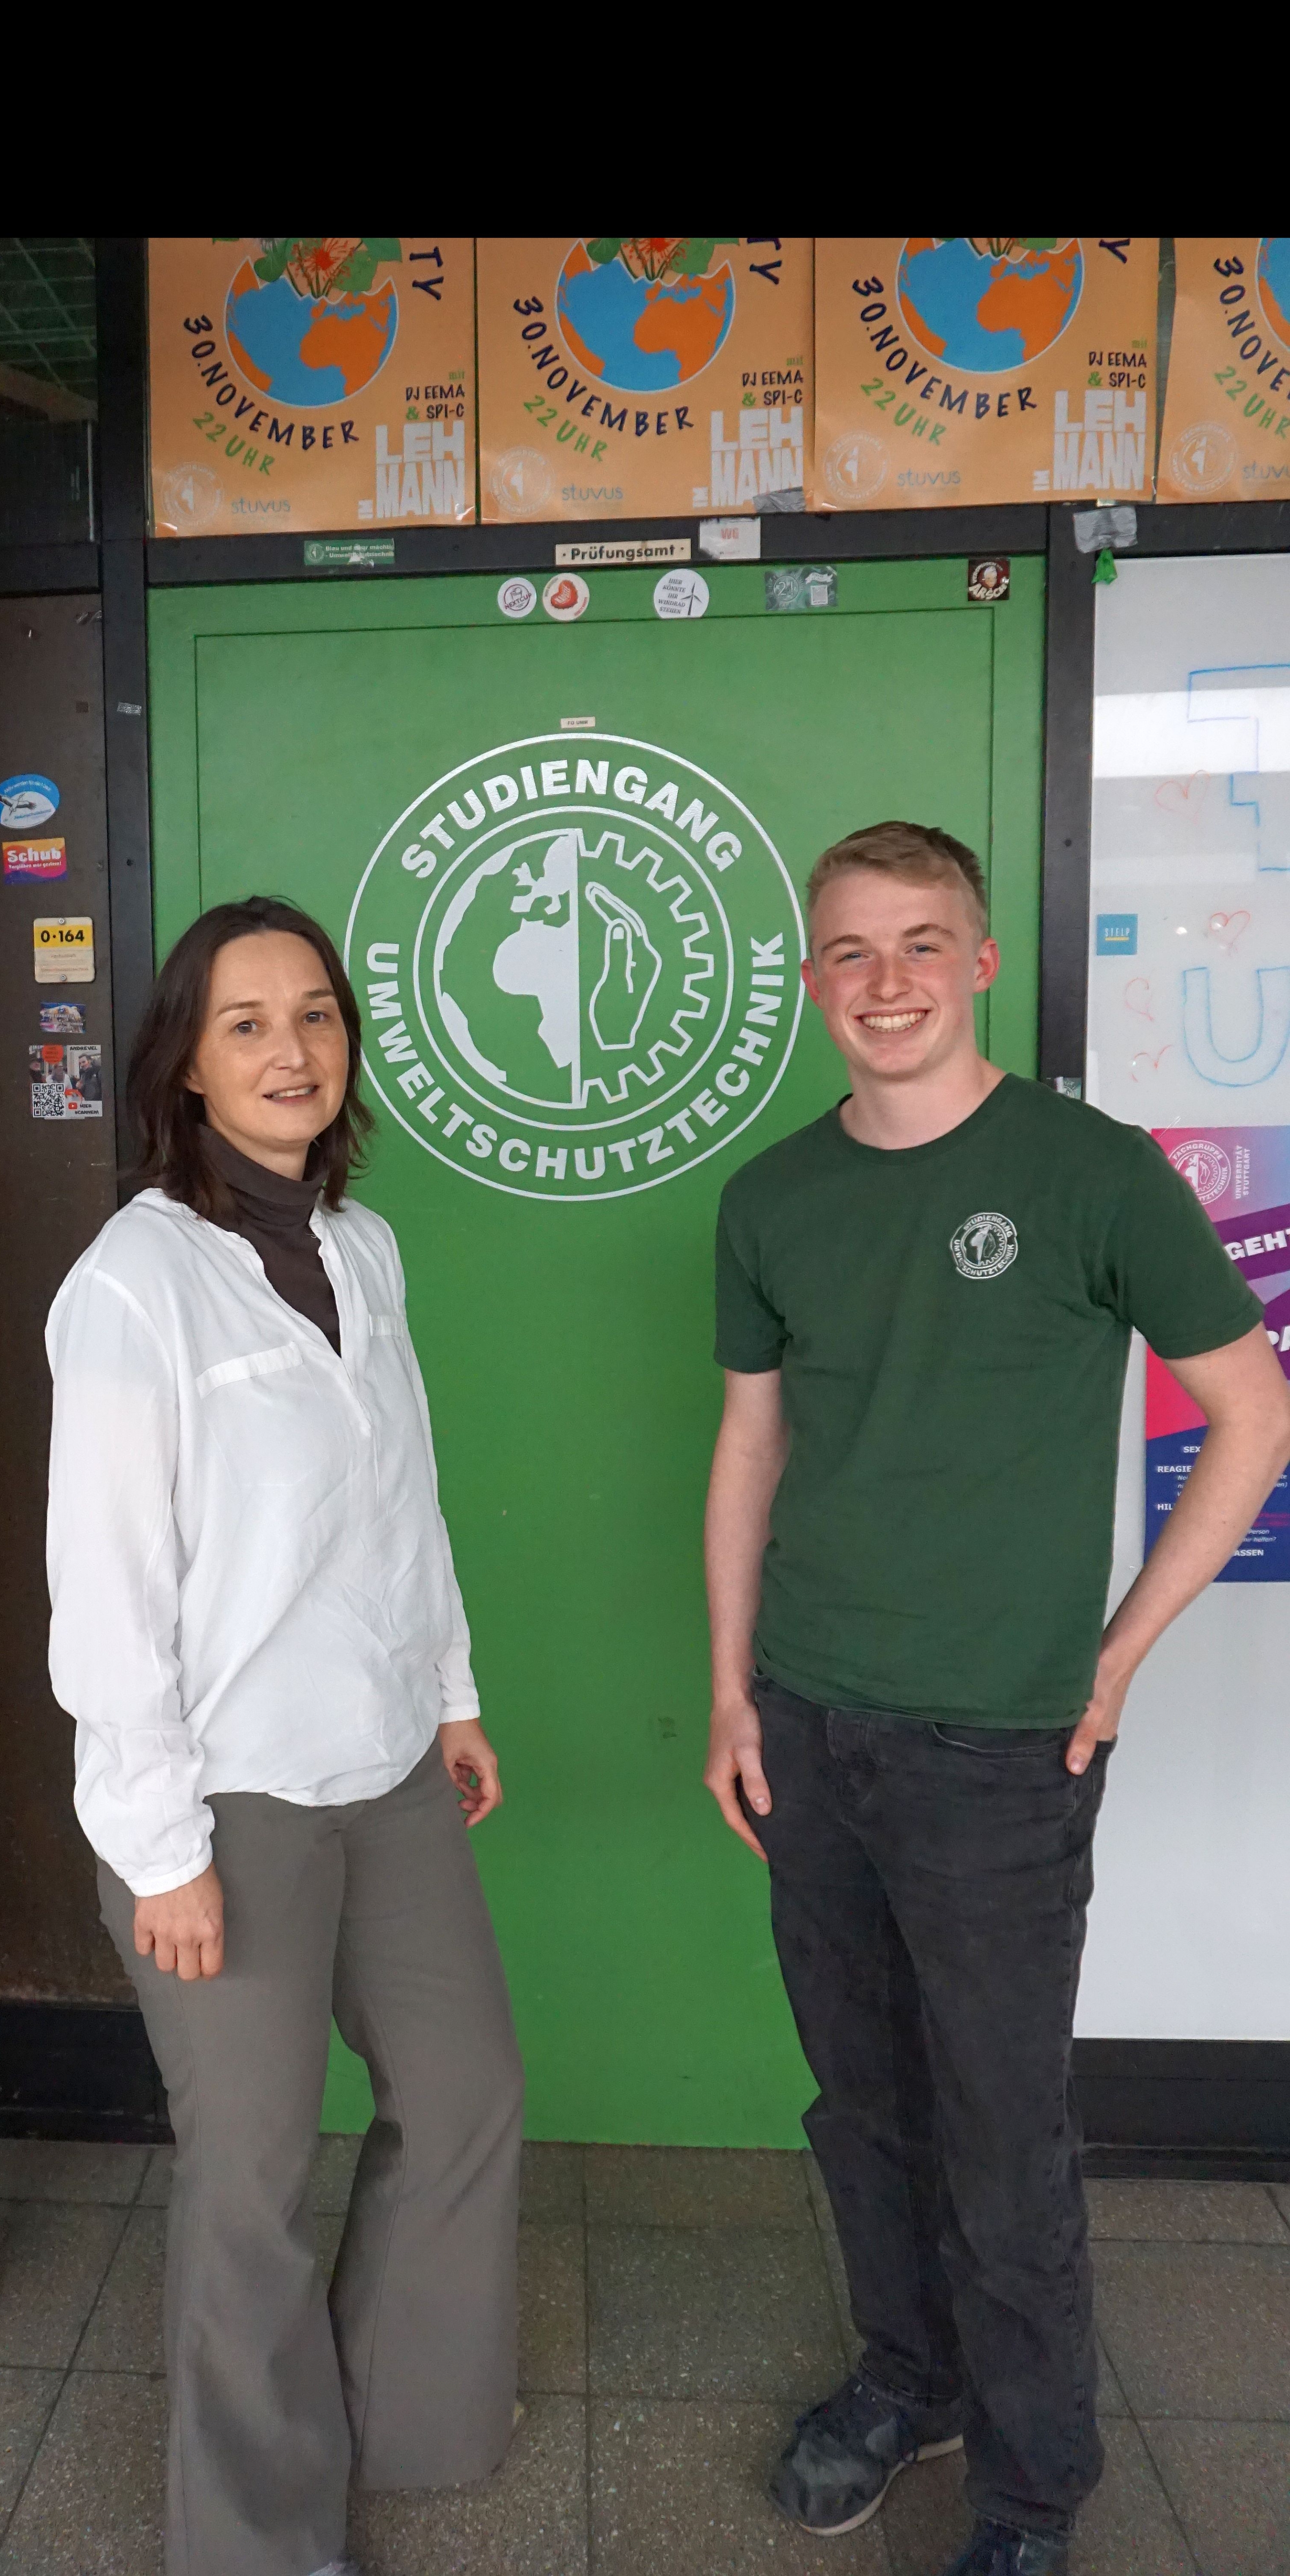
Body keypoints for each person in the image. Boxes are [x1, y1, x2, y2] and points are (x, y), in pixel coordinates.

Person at [702, 822, 1290, 2576]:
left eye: (918, 945)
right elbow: (751, 1442)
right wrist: (731, 1688)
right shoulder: (774, 1198)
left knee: (1002, 2136)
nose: (883, 982)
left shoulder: (1095, 1174)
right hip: (810, 1718)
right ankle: (910, 2380)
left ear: (978, 963)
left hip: (999, 1752)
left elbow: (1252, 1413)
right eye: (849, 954)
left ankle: (1033, 2496)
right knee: (857, 2097)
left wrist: (1114, 1654)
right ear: (814, 984)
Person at [45, 894, 523, 2576]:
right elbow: (103, 1600)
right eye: (245, 1023)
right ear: (182, 1062)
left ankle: (397, 2415)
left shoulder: (365, 1247)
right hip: (223, 1802)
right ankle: (257, 2536)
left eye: (314, 1015)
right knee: (250, 2180)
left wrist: (450, 1692)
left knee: (465, 2093)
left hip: (385, 1766)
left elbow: (407, 1505)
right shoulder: (134, 1286)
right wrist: (159, 1850)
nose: (289, 1051)